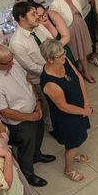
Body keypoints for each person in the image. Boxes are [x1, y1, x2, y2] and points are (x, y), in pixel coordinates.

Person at [0, 44, 53, 187]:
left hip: (34, 110)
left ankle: (37, 155)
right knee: (26, 146)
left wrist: (38, 102)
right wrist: (30, 117)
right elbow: (5, 111)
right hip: (20, 122)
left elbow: (28, 81)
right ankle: (28, 174)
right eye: (8, 62)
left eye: (11, 58)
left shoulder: (12, 64)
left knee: (38, 135)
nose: (12, 62)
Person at [39, 39, 92, 183]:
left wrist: (86, 102)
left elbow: (78, 77)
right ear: (50, 59)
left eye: (64, 53)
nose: (64, 56)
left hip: (80, 108)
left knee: (79, 137)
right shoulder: (50, 83)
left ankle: (74, 154)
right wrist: (84, 111)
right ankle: (68, 169)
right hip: (67, 117)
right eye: (60, 55)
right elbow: (63, 107)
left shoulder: (63, 61)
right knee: (72, 142)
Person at [49, 0, 96, 83]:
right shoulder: (55, 4)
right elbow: (56, 23)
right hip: (69, 31)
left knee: (83, 51)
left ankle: (86, 72)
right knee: (73, 54)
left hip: (81, 26)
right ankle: (76, 74)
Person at [10, 1, 55, 86]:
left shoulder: (38, 26)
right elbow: (31, 67)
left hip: (56, 67)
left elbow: (52, 42)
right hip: (43, 80)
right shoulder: (16, 43)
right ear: (22, 17)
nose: (38, 16)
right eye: (33, 14)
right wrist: (51, 70)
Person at [32, 1, 76, 65]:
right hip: (52, 59)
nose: (44, 17)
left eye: (44, 13)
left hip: (63, 50)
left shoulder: (53, 15)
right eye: (39, 16)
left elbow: (66, 36)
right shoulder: (36, 29)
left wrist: (55, 49)